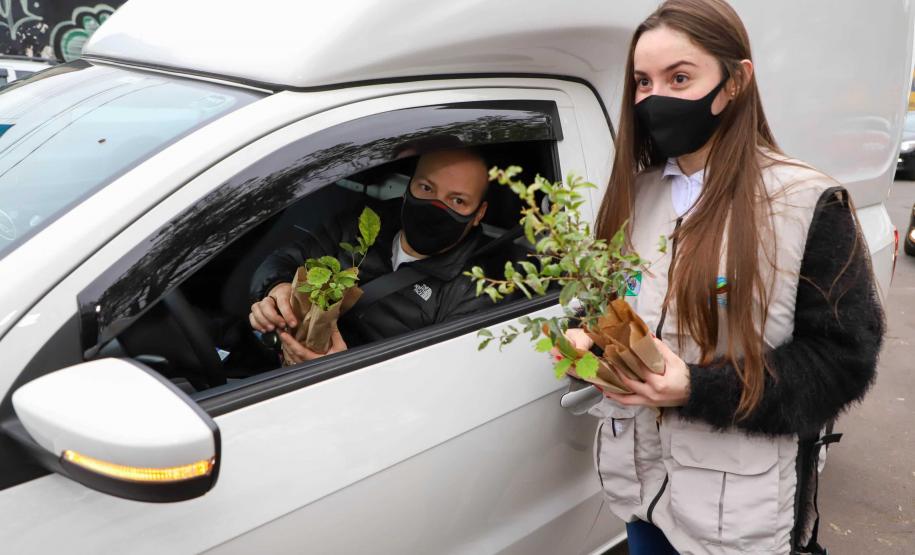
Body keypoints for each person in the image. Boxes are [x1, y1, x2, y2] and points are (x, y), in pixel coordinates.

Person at [558, 1, 885, 554]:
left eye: (679, 78)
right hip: (640, 493)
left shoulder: (806, 203)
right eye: (642, 82)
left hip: (737, 516)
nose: (654, 98)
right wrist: (583, 343)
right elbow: (606, 305)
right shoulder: (634, 195)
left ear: (735, 81)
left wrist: (694, 388)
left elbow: (841, 363)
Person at [248, 147, 498, 365]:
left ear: (479, 213)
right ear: (409, 187)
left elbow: (436, 378)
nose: (436, 206)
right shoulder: (366, 222)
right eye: (426, 188)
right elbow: (283, 260)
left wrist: (341, 368)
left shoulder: (476, 289)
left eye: (457, 200)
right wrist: (276, 289)